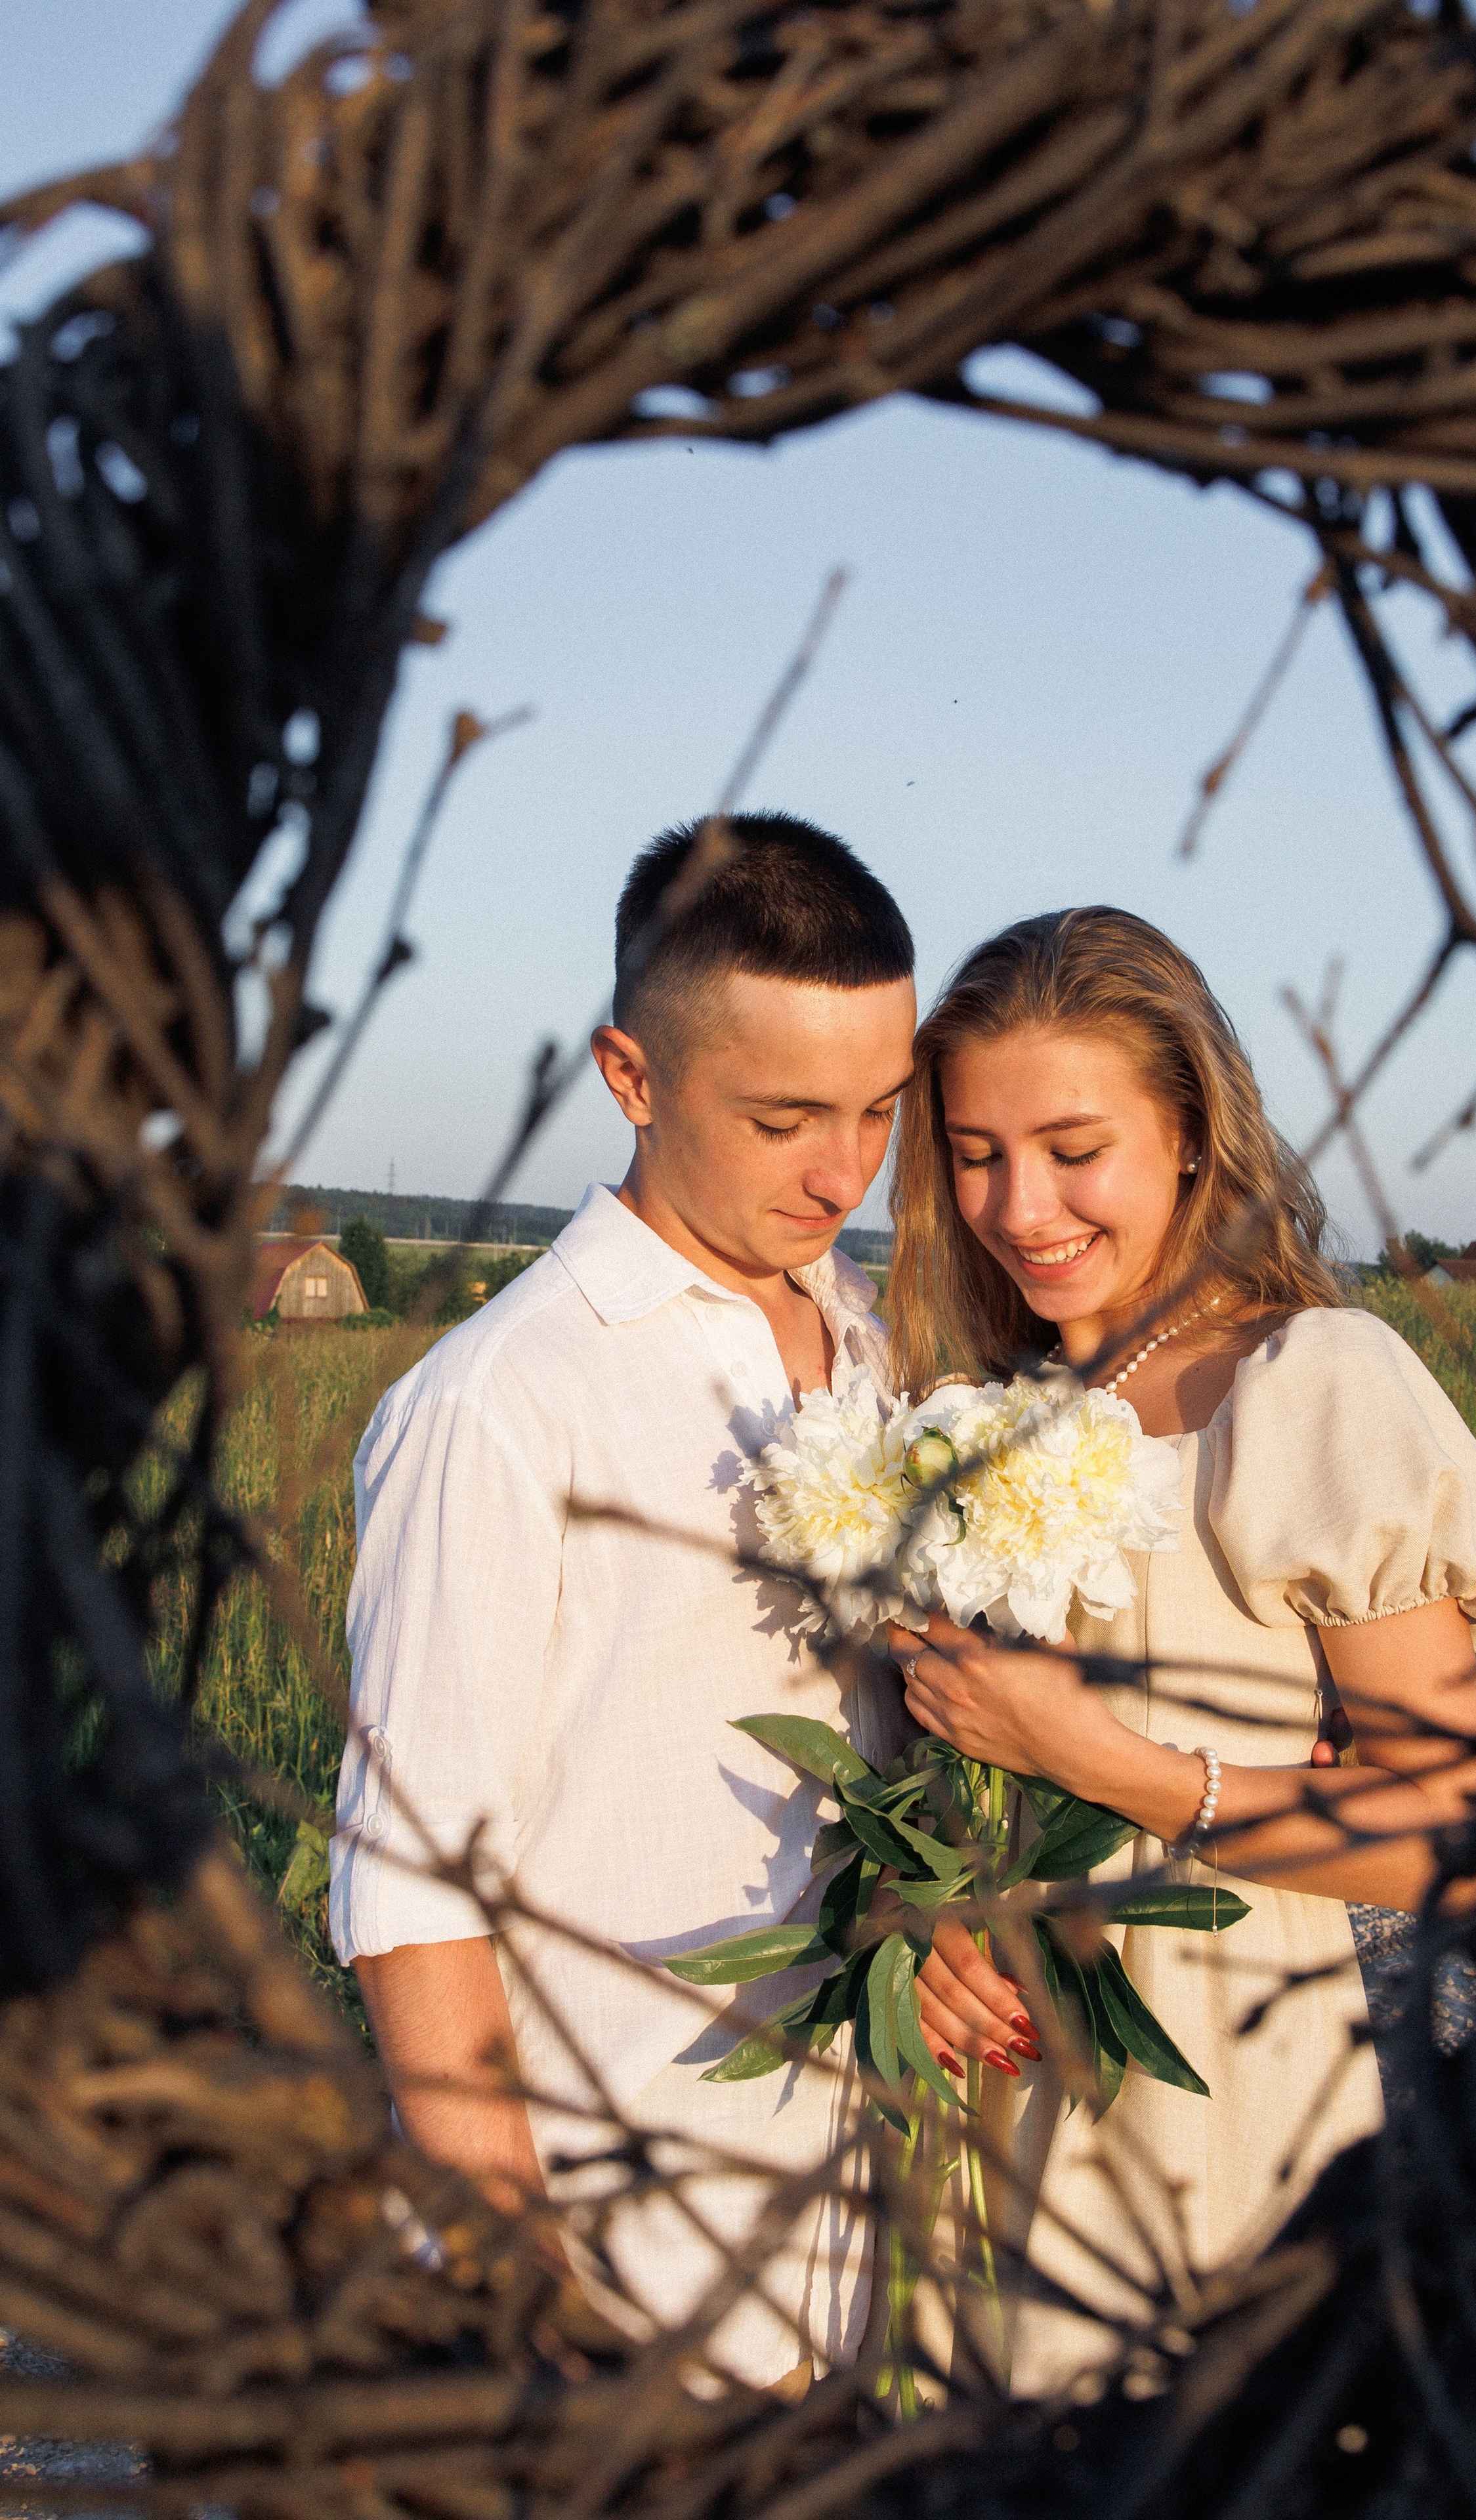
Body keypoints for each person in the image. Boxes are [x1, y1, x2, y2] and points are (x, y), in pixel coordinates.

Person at [330, 811, 976, 2386]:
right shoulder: (502, 1404)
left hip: (872, 2226)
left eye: (880, 1112)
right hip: (627, 2258)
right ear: (631, 1078)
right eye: (785, 1120)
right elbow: (412, 1885)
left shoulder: (879, 1355)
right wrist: (519, 2291)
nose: (844, 1171)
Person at [881, 905, 1476, 2389]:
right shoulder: (981, 1399)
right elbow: (935, 1756)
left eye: (1071, 1147)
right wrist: (915, 1923)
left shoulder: (1310, 1382)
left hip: (1209, 2080)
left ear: (1187, 1130)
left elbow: (1451, 1831)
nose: (1017, 1203)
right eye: (974, 1152)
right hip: (989, 2090)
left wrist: (1110, 1764)